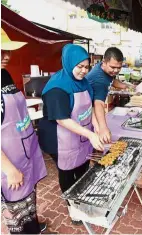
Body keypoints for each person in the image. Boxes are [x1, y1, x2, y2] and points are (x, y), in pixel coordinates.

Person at [38, 44, 103, 224]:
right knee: (67, 172)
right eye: (79, 66)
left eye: (86, 66)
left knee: (82, 167)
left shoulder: (84, 82)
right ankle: (73, 209)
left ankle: (81, 200)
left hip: (80, 135)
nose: (83, 71)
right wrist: (90, 135)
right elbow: (62, 120)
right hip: (59, 138)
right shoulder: (57, 88)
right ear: (68, 63)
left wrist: (96, 127)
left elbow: (89, 108)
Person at [1, 28, 47, 234]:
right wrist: (9, 170)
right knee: (16, 208)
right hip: (8, 159)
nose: (7, 56)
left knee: (29, 197)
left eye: (8, 50)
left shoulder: (4, 74)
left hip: (25, 150)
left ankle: (34, 228)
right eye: (0, 51)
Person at [86, 47, 132, 144]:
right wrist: (103, 128)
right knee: (97, 138)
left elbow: (112, 80)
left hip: (92, 107)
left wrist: (125, 86)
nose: (115, 71)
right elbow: (99, 103)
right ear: (104, 62)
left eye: (118, 68)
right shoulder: (99, 79)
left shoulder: (105, 70)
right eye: (113, 67)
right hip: (88, 110)